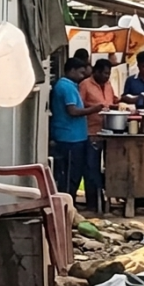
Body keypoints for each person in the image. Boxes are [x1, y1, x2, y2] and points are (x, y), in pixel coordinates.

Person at [50, 55, 103, 201]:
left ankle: (69, 203)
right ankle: (66, 203)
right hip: (69, 137)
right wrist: (93, 109)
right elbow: (72, 111)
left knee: (75, 173)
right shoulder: (65, 86)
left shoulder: (71, 86)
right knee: (69, 175)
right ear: (71, 70)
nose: (82, 76)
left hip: (77, 136)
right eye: (80, 72)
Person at [79, 58, 118, 213]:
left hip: (108, 131)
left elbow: (112, 101)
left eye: (108, 74)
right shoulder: (85, 85)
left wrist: (120, 103)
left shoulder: (108, 85)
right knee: (91, 167)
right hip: (91, 132)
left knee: (110, 167)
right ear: (95, 72)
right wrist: (95, 108)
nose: (106, 76)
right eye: (104, 73)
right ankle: (93, 202)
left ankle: (105, 199)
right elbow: (79, 106)